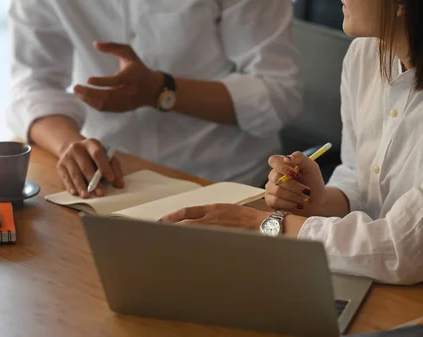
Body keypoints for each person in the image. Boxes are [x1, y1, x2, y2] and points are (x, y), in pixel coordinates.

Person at [161, 0, 423, 285]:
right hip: (371, 279)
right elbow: (360, 182)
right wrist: (317, 200)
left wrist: (259, 223)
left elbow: (404, 249)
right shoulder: (365, 55)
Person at [6, 0, 303, 198]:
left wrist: (161, 91)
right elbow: (32, 85)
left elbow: (279, 95)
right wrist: (70, 145)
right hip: (108, 182)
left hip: (222, 181)